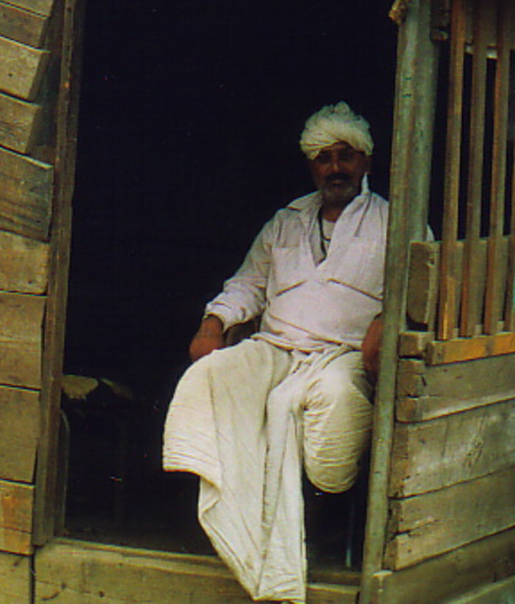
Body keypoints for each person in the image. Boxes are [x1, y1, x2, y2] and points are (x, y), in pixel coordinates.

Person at [162, 103, 387, 604]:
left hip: (344, 356)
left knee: (322, 398)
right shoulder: (285, 221)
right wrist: (213, 323)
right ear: (311, 166)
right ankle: (235, 521)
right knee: (210, 375)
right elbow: (248, 284)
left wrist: (384, 322)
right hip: (276, 346)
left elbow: (418, 290)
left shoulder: (392, 221)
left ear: (365, 161)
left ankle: (319, 514)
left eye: (345, 156)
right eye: (323, 158)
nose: (335, 167)